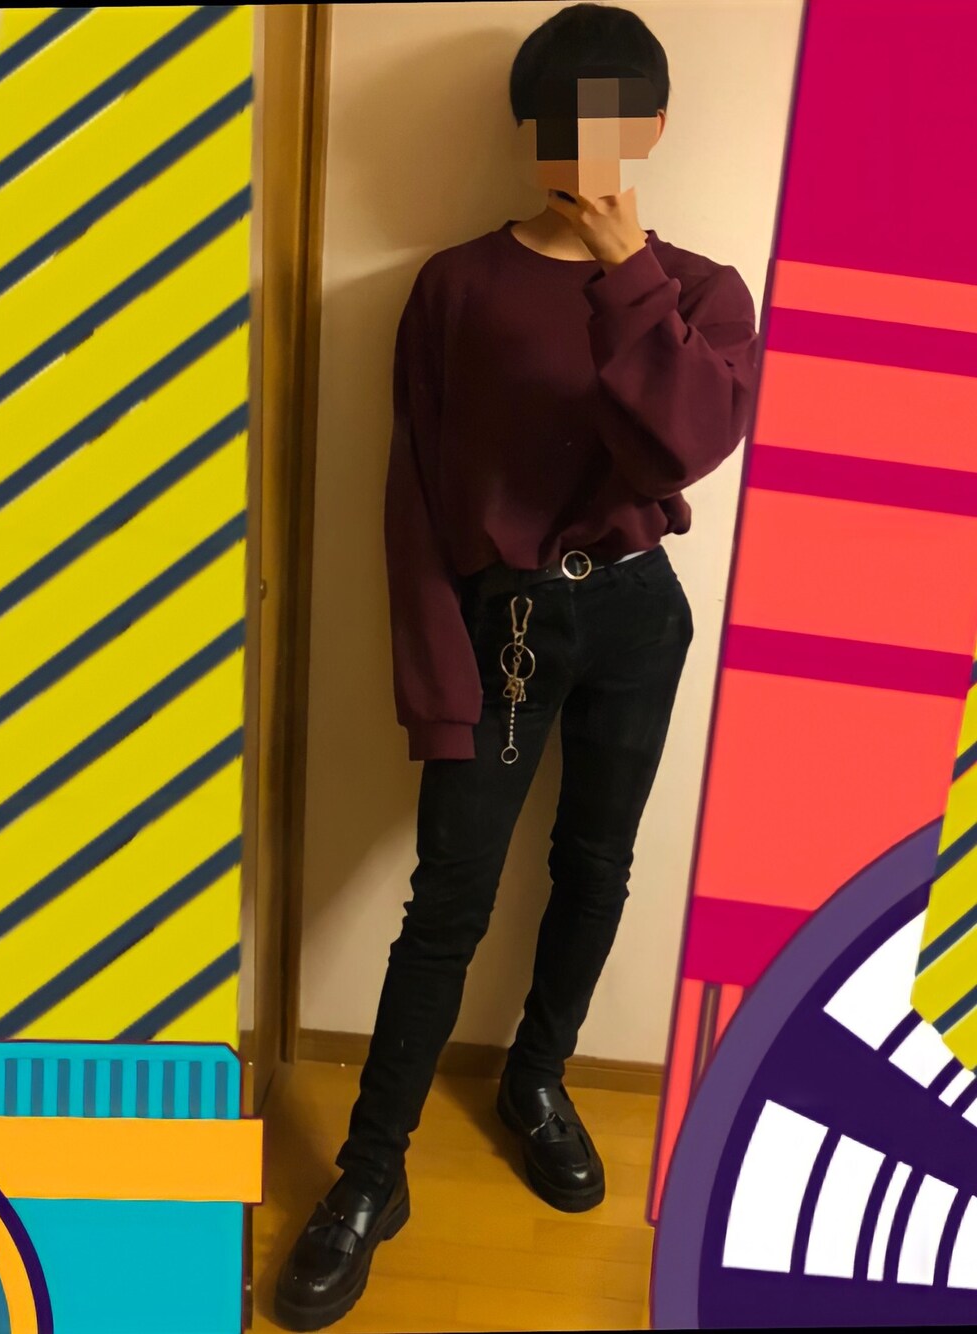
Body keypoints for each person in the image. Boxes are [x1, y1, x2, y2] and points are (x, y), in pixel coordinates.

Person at [274, 3, 759, 1329]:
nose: (590, 144)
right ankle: (371, 1173)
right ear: (529, 129)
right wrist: (437, 686)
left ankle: (535, 1077)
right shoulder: (456, 286)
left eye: (615, 118)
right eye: (565, 119)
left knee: (596, 866)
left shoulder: (700, 291)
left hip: (637, 617)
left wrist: (625, 272)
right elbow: (416, 500)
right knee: (450, 895)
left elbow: (685, 443)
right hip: (503, 624)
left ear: (655, 128)